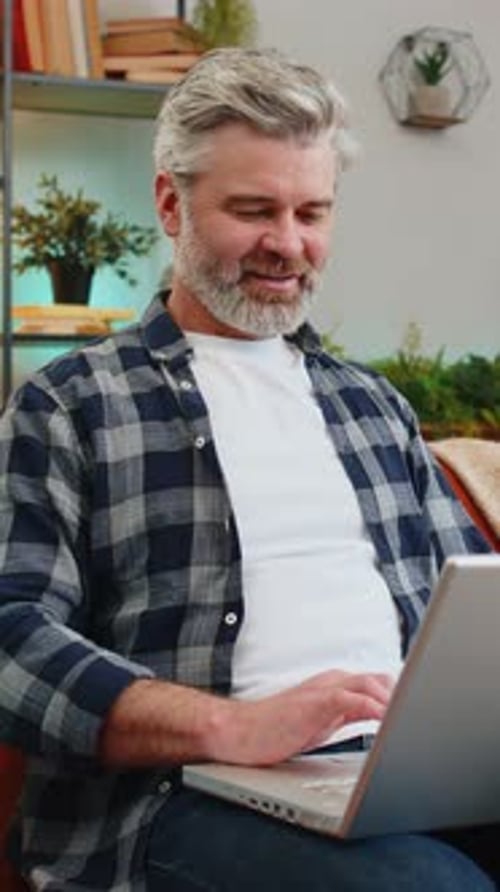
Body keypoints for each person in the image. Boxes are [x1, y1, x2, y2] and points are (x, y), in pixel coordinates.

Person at [0, 47, 495, 892]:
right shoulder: (68, 405)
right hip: (177, 800)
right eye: (254, 210)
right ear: (170, 203)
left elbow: (476, 605)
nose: (288, 245)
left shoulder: (373, 407)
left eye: (312, 212)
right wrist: (233, 727)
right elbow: (12, 637)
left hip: (395, 779)